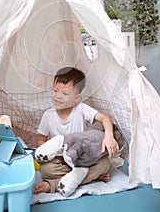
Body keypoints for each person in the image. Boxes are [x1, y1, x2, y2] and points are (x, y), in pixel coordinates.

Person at [34, 66, 119, 194]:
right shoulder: (48, 115)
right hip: (61, 160)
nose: (58, 96)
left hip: (82, 159)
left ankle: (54, 185)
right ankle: (92, 177)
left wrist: (109, 136)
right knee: (46, 170)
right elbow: (41, 139)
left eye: (65, 93)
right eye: (55, 90)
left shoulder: (81, 109)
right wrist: (48, 150)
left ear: (76, 97)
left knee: (105, 164)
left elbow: (105, 118)